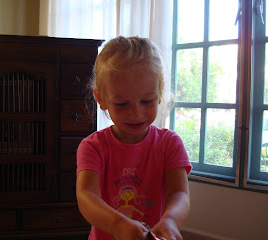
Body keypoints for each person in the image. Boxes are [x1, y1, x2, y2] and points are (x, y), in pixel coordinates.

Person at [76, 36, 192, 240]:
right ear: (101, 99)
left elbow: (179, 194)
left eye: (147, 101)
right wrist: (118, 225)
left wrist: (171, 220)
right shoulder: (93, 147)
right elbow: (87, 196)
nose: (136, 114)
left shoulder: (170, 144)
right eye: (122, 104)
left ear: (159, 95)